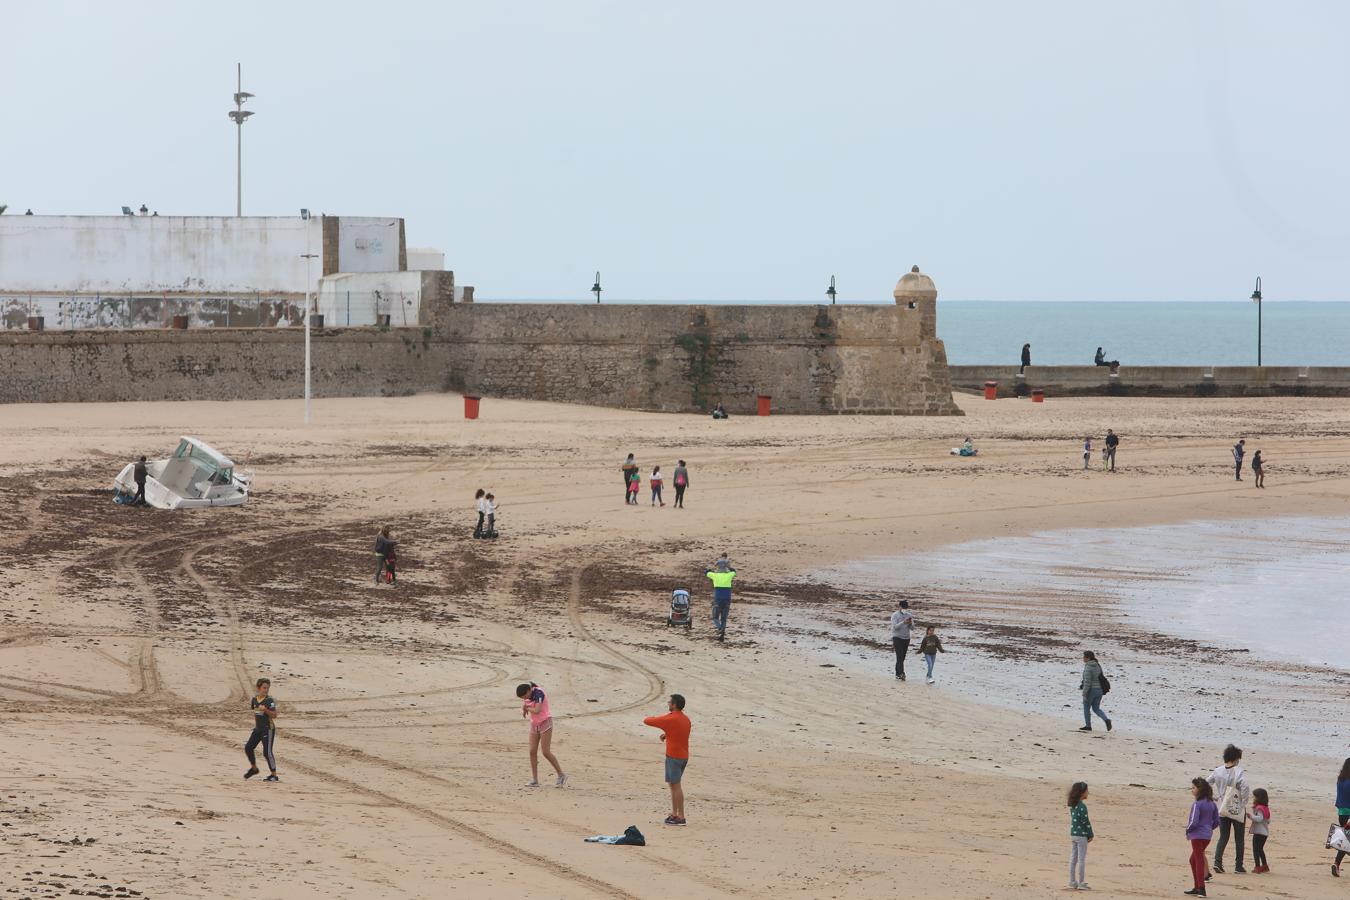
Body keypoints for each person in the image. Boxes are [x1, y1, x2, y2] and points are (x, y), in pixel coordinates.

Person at [643, 694, 691, 825]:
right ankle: (675, 814)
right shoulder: (685, 719)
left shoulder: (671, 718)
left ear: (674, 705)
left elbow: (647, 720)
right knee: (673, 785)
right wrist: (667, 734)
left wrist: (661, 719)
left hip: (674, 757)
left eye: (669, 702)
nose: (668, 704)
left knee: (676, 786)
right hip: (683, 756)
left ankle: (681, 816)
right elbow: (679, 733)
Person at [1207, 743, 1250, 874]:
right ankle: (1238, 866)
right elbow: (1245, 788)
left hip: (1222, 808)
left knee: (1223, 836)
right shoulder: (1239, 771)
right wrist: (1243, 802)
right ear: (1236, 758)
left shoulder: (1218, 770)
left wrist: (1212, 797)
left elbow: (1206, 782)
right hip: (1237, 808)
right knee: (1239, 838)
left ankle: (1217, 862)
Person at [515, 682, 566, 787]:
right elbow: (526, 702)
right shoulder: (528, 693)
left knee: (546, 752)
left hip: (545, 722)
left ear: (529, 691)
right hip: (535, 724)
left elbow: (537, 710)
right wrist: (524, 707)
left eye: (524, 696)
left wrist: (527, 708)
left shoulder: (539, 693)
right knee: (532, 751)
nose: (524, 698)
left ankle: (561, 775)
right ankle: (535, 780)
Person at [1186, 777, 1221, 896]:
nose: (1192, 790)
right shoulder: (1212, 804)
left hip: (1197, 835)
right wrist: (1208, 829)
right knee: (1193, 859)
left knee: (1199, 860)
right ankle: (1197, 887)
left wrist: (1188, 830)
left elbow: (1193, 821)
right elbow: (1217, 821)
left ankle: (1201, 888)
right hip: (1207, 836)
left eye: (1194, 788)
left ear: (1200, 790)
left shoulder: (1197, 804)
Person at [244, 677, 279, 782]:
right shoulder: (254, 699)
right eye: (264, 688)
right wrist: (256, 726)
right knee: (248, 748)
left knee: (267, 752)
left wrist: (266, 710)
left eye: (267, 688)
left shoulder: (269, 700)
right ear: (258, 688)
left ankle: (274, 775)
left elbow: (274, 715)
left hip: (268, 729)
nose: (266, 690)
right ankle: (254, 769)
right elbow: (255, 713)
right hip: (258, 729)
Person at [1067, 781, 1093, 891]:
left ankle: (1072, 881)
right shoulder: (1082, 806)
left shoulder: (1073, 805)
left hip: (1073, 834)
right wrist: (1090, 834)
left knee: (1073, 858)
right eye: (1087, 791)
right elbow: (1085, 821)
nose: (1088, 792)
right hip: (1081, 835)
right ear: (1082, 792)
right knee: (1081, 859)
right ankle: (1081, 882)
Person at [1078, 650, 1111, 732]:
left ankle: (1088, 726)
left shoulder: (1088, 667)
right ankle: (1106, 720)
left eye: (1084, 657)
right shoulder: (1097, 665)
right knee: (1096, 708)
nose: (1083, 658)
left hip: (1091, 690)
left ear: (1088, 658)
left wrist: (1084, 693)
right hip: (1099, 690)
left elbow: (1087, 682)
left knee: (1086, 708)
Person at [705, 558, 735, 641]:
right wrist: (729, 567)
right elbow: (734, 571)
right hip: (727, 599)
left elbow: (706, 572)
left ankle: (720, 629)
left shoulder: (715, 575)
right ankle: (722, 635)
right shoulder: (729, 575)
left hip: (718, 599)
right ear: (725, 568)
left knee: (715, 617)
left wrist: (710, 569)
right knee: (724, 618)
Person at [1333, 758, 1350, 877]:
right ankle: (1336, 863)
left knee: (1346, 840)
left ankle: (1336, 864)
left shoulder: (1340, 780)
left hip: (1341, 814)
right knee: (1346, 841)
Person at [889, 600, 914, 681]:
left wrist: (910, 623)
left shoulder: (909, 615)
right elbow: (895, 627)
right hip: (897, 637)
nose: (905, 609)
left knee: (902, 657)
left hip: (906, 638)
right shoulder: (895, 615)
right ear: (899, 607)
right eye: (903, 607)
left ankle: (897, 673)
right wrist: (903, 622)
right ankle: (901, 673)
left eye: (906, 608)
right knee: (899, 656)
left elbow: (913, 628)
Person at [1249, 787, 1271, 874]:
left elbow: (1259, 819)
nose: (1254, 799)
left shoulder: (1259, 808)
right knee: (1260, 849)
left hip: (1259, 832)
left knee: (1256, 850)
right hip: (1265, 833)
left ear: (1259, 798)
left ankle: (1257, 866)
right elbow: (1268, 821)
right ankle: (1265, 866)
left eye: (1255, 797)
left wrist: (1251, 816)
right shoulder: (1266, 808)